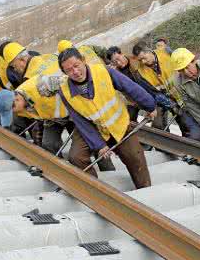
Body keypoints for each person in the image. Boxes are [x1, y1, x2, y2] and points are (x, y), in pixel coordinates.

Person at [58, 48, 157, 189]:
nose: (75, 72)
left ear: (83, 61)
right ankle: (96, 190)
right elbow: (80, 121)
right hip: (93, 127)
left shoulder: (104, 72)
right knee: (76, 156)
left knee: (135, 157)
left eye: (76, 65)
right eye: (68, 70)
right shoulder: (65, 91)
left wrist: (150, 105)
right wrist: (98, 145)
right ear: (65, 73)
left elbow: (130, 87)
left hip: (118, 124)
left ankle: (145, 189)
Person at [132, 41, 190, 134]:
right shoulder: (140, 73)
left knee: (186, 123)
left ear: (149, 51)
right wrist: (171, 104)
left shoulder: (166, 53)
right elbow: (153, 93)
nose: (143, 62)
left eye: (144, 58)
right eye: (140, 60)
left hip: (183, 93)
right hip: (163, 99)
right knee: (158, 125)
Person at [106, 45, 171, 123]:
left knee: (158, 124)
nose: (118, 63)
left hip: (153, 94)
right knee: (129, 120)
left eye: (118, 59)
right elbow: (126, 94)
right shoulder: (116, 74)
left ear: (122, 54)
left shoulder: (137, 61)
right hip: (135, 100)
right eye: (114, 62)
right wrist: (142, 105)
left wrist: (150, 106)